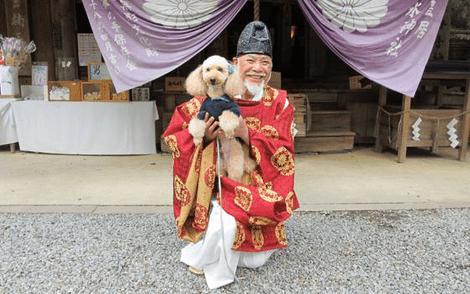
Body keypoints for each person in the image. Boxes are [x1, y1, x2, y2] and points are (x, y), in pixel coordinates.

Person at [162, 20, 299, 289]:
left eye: (265, 62)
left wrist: (247, 134)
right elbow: (174, 137)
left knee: (255, 261)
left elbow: (284, 151)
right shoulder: (211, 96)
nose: (258, 69)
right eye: (251, 60)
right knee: (222, 229)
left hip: (260, 184)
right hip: (218, 185)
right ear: (235, 63)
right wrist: (204, 139)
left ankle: (222, 247)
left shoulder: (279, 102)